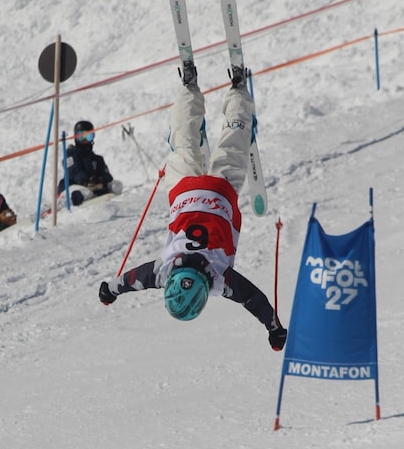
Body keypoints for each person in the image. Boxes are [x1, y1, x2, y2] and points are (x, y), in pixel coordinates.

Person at [98, 63, 288, 350]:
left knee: (233, 143)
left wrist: (274, 329)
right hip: (183, 189)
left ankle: (238, 91)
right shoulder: (163, 271)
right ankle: (188, 88)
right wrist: (110, 290)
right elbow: (133, 280)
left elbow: (253, 299)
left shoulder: (220, 279)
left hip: (220, 191)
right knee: (184, 140)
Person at [57, 120, 123, 206]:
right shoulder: (71, 155)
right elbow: (74, 171)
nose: (85, 140)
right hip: (73, 185)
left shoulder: (97, 158)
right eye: (81, 137)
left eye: (88, 136)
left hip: (93, 188)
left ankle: (94, 195)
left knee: (116, 185)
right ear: (76, 138)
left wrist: (100, 180)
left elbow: (107, 174)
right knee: (84, 192)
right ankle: (65, 201)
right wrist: (85, 181)